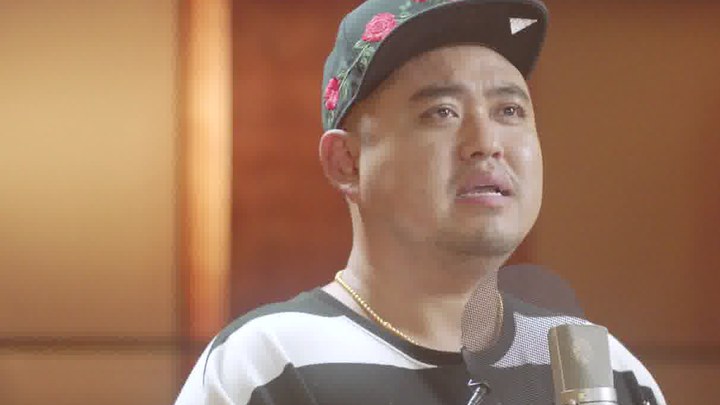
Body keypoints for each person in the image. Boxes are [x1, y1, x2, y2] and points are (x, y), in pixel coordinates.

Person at [175, 0, 666, 404]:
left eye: (510, 110)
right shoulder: (265, 365)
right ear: (346, 162)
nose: (487, 142)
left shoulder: (602, 370)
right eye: (442, 112)